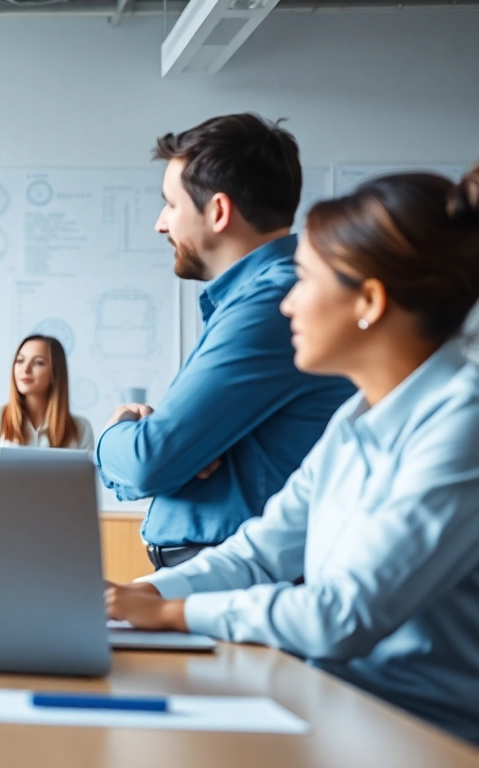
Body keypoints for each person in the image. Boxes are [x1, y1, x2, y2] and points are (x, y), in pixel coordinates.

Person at [106, 165, 479, 747]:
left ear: (370, 301)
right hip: (338, 708)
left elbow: (342, 615)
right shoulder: (356, 417)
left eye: (303, 281)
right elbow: (260, 552)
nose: (287, 305)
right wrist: (140, 597)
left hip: (424, 736)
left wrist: (176, 615)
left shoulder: (464, 422)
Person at [95, 113, 355, 569]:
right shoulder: (252, 299)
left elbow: (148, 461)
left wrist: (116, 433)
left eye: (170, 205)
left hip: (236, 572)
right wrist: (170, 451)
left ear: (218, 211)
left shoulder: (270, 305)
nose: (161, 224)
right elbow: (164, 458)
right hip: (219, 567)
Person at [0, 334, 92, 458]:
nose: (25, 369)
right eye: (20, 361)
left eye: (38, 363)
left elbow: (87, 476)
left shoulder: (82, 429)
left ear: (55, 373)